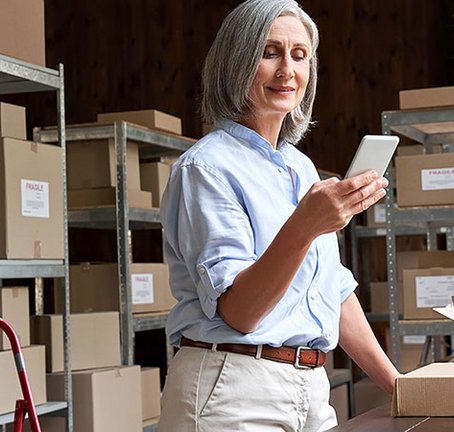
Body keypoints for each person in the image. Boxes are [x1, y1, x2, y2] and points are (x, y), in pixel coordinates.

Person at [157, 0, 401, 430]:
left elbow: (334, 293)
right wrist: (305, 226)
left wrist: (400, 387)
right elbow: (240, 313)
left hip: (309, 386)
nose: (288, 70)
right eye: (270, 52)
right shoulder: (206, 168)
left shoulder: (301, 168)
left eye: (300, 55)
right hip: (231, 390)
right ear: (237, 61)